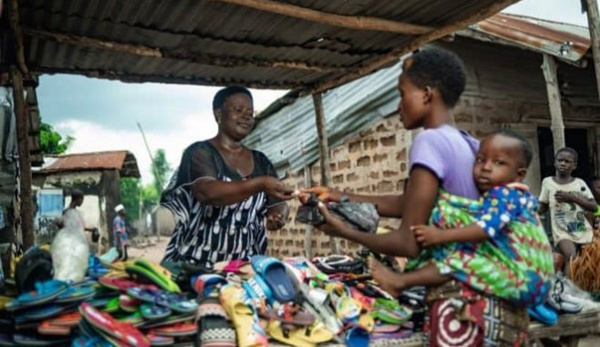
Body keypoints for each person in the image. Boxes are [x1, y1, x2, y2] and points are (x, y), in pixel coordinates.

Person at [302, 49, 529, 345]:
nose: (398, 105)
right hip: (495, 304)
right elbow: (413, 203)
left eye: (401, 93)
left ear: (425, 94)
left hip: (459, 307)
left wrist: (343, 230)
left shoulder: (429, 141)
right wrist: (338, 195)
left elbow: (408, 243)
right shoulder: (471, 145)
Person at [370, 129, 554, 306]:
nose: (486, 168)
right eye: (480, 160)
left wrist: (440, 236)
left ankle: (400, 282)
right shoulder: (505, 196)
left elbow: (484, 229)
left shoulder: (506, 195)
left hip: (526, 278)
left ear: (519, 174)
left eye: (499, 163)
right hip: (530, 278)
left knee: (457, 260)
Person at [160, 86, 294, 268]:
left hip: (243, 267)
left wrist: (278, 214)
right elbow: (209, 193)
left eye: (250, 112)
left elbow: (277, 201)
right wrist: (260, 183)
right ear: (218, 115)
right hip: (195, 264)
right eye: (238, 110)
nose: (247, 116)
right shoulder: (200, 152)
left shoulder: (261, 161)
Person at [538, 148, 597, 276]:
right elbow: (542, 206)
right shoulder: (547, 182)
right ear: (555, 162)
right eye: (560, 160)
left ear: (574, 165)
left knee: (587, 263)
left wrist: (572, 198)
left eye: (567, 161)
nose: (563, 164)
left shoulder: (579, 183)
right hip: (562, 231)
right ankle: (568, 292)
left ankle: (579, 289)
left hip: (582, 230)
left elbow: (594, 207)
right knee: (571, 257)